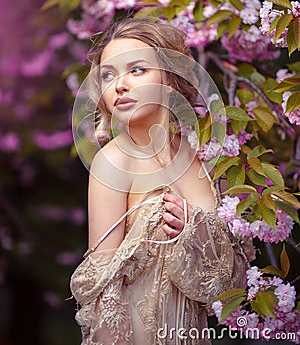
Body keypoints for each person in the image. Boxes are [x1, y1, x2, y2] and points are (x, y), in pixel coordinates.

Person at [70, 17, 254, 345]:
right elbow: (102, 294)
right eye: (108, 75)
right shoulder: (114, 162)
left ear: (170, 79)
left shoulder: (207, 158)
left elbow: (231, 285)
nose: (119, 85)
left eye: (137, 70)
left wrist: (195, 229)